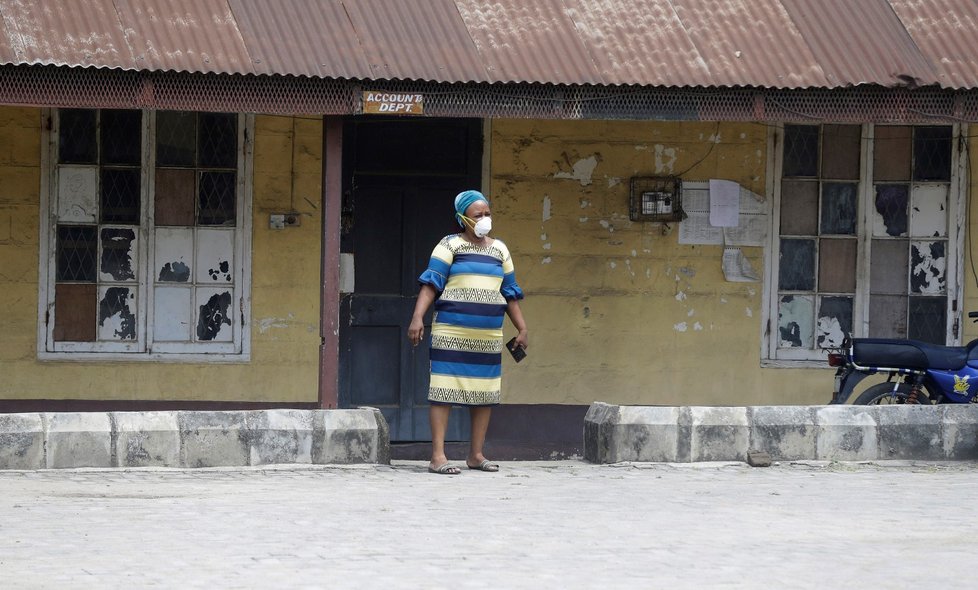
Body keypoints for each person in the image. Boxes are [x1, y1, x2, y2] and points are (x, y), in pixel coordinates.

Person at [408, 190, 528, 475]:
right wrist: (417, 317)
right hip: (451, 331)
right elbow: (431, 283)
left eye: (487, 213)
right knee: (443, 390)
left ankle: (476, 454)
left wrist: (522, 327)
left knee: (484, 393)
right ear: (462, 219)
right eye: (478, 215)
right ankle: (438, 456)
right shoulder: (449, 246)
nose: (484, 219)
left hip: (487, 336)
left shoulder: (500, 250)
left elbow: (509, 292)